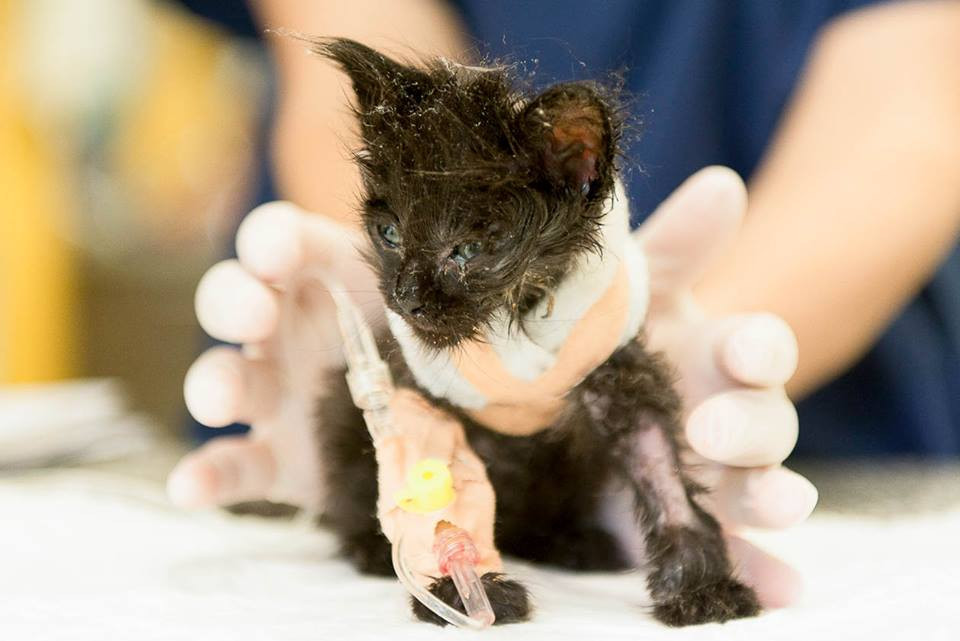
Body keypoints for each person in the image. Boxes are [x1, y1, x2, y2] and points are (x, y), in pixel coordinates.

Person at [167, 0, 960, 608]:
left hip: (843, 452)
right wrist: (430, 355)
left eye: (461, 252)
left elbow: (907, 121)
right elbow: (360, 34)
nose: (410, 283)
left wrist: (646, 339)